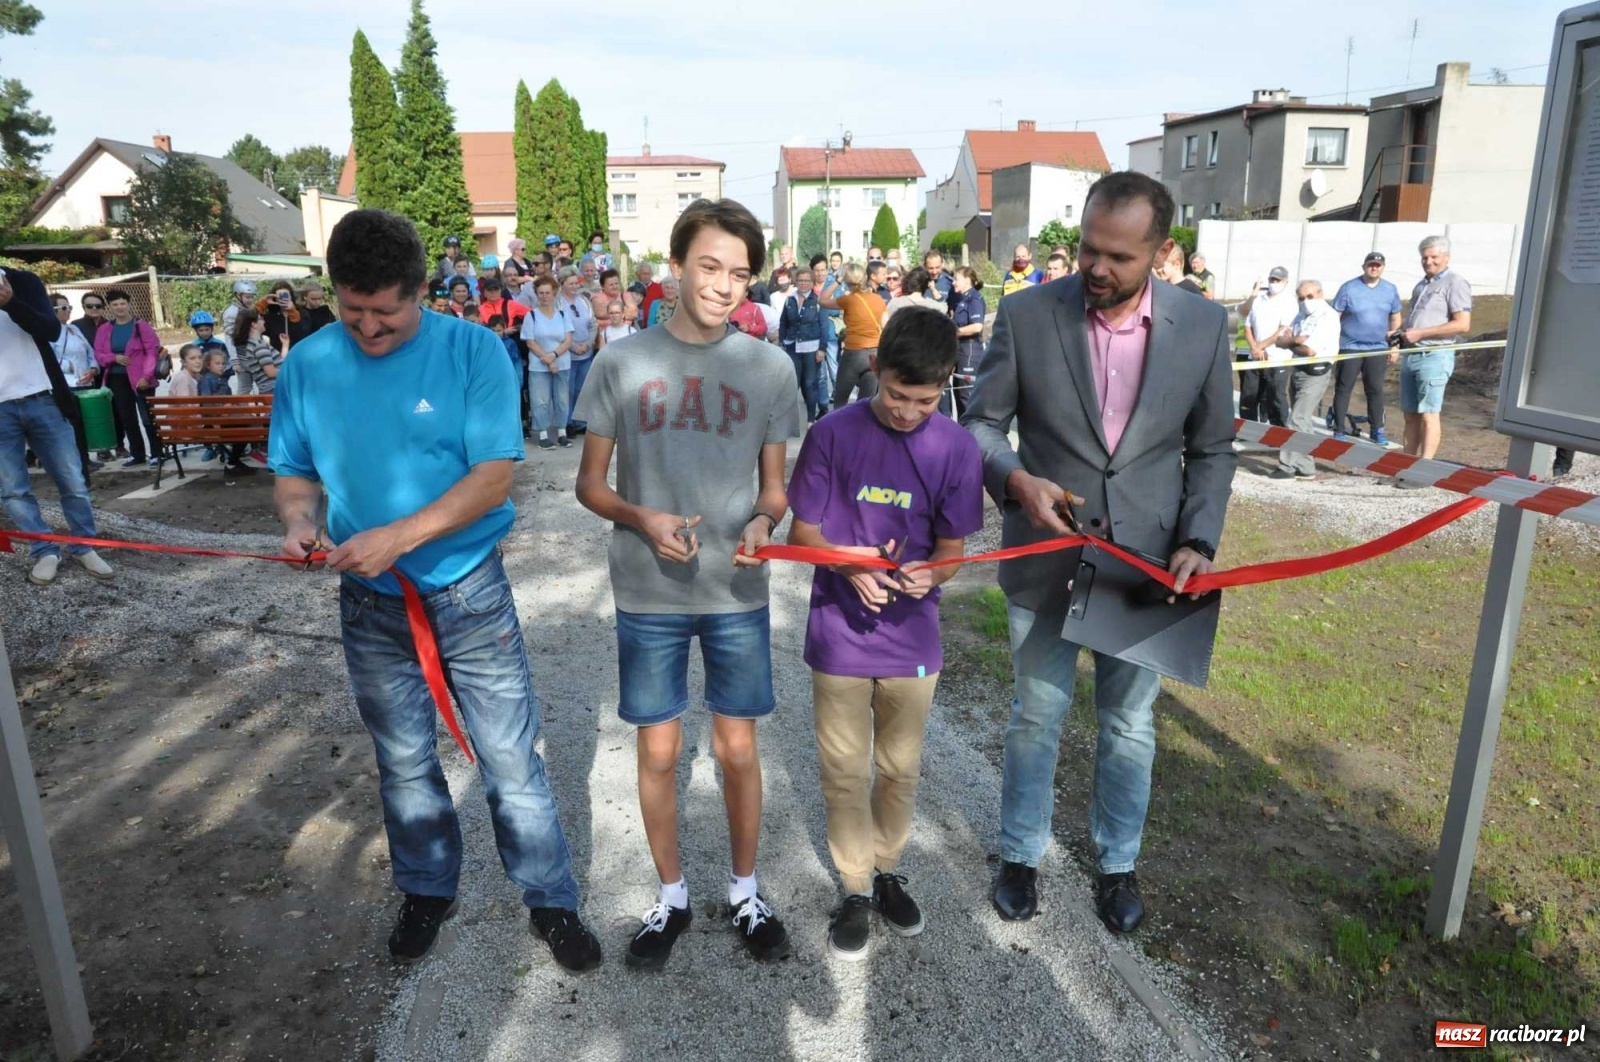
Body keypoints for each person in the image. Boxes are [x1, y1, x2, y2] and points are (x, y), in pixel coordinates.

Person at [269, 208, 601, 971]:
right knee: (404, 758)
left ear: (421, 290)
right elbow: (294, 474)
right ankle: (427, 888)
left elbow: (491, 480)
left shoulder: (474, 351)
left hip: (468, 591)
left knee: (509, 758)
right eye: (353, 310)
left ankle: (550, 899)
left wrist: (399, 536)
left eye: (385, 311)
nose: (368, 328)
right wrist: (297, 523)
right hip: (371, 603)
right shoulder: (309, 364)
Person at [963, 171, 1236, 935]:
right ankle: (1019, 854)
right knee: (1034, 717)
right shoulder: (1025, 314)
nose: (1097, 268)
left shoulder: (1205, 327)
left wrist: (1197, 538)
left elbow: (1213, 448)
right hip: (1048, 555)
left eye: (1118, 256)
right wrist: (1015, 479)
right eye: (1088, 248)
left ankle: (1118, 866)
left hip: (1147, 564)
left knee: (1128, 727)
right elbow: (980, 424)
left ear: (1161, 251)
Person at [572, 198, 798, 972]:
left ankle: (744, 890)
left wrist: (769, 525)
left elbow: (776, 489)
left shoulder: (771, 368)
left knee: (738, 750)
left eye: (740, 273)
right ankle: (669, 897)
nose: (725, 284)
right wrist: (642, 516)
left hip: (736, 592)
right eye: (710, 265)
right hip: (648, 591)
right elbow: (589, 486)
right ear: (675, 266)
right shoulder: (621, 361)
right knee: (660, 753)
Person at [786, 306, 982, 960]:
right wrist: (848, 567)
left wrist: (935, 575)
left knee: (898, 769)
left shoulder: (956, 447)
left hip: (911, 638)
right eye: (896, 395)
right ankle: (853, 888)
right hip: (839, 632)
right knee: (844, 770)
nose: (906, 412)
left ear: (948, 383)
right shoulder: (831, 434)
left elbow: (952, 550)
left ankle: (889, 869)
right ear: (875, 369)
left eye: (924, 401)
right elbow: (801, 534)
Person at [1, 265, 115, 585]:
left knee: (72, 480)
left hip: (44, 398)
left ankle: (84, 545)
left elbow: (50, 329)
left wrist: (11, 302)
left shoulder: (21, 281)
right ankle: (43, 549)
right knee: (12, 490)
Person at [1396, 236, 1471, 469]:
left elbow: (1462, 324)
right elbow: (1415, 320)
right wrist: (1399, 332)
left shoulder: (1455, 283)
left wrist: (1421, 334)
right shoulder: (1421, 285)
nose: (1428, 262)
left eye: (1434, 257)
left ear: (1446, 258)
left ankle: (1424, 469)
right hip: (1411, 356)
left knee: (1429, 413)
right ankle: (1406, 467)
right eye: (1425, 257)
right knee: (1410, 415)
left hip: (1435, 356)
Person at [1329, 252, 1402, 445]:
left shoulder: (1390, 289)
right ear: (1364, 266)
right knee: (1344, 388)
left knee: (1375, 389)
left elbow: (1395, 318)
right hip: (1350, 346)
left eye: (1378, 265)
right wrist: (1330, 343)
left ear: (1383, 268)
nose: (1374, 268)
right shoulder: (1349, 288)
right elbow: (1334, 316)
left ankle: (1377, 429)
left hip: (1377, 348)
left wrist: (1394, 346)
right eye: (1371, 265)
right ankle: (1338, 428)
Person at [1271, 280, 1340, 480]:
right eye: (1301, 298)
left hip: (1316, 372)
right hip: (1298, 369)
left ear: (1320, 294)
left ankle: (1287, 466)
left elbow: (1309, 350)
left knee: (1297, 419)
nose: (1305, 301)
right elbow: (1282, 338)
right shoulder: (1301, 314)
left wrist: (1290, 343)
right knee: (1304, 421)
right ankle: (1306, 466)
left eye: (1309, 297)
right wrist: (1295, 341)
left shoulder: (1327, 316)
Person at [92, 287, 164, 467]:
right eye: (115, 304)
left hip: (141, 378)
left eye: (123, 303)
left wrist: (146, 375)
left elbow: (151, 352)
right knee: (127, 418)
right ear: (110, 307)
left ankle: (157, 453)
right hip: (117, 378)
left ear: (129, 304)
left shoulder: (141, 325)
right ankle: (137, 454)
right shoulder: (105, 329)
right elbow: (98, 353)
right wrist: (113, 358)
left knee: (148, 418)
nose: (120, 307)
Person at [819, 262, 885, 409]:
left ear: (847, 281)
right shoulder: (879, 300)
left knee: (840, 401)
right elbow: (886, 326)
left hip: (854, 353)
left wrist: (838, 280)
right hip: (875, 353)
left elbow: (822, 300)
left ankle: (839, 431)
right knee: (866, 404)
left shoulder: (849, 300)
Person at [521, 274, 573, 449]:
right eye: (540, 293)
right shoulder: (531, 316)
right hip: (539, 365)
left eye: (547, 292)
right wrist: (548, 359)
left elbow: (568, 340)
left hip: (562, 362)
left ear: (554, 293)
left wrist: (555, 355)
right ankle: (543, 434)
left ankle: (562, 433)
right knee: (540, 400)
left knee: (562, 399)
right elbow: (530, 342)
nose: (544, 296)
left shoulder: (563, 314)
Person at [1240, 266, 1297, 425]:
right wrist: (1254, 347)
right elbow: (1247, 326)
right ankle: (1248, 428)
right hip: (1255, 356)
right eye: (1272, 279)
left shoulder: (1289, 302)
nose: (1273, 282)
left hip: (1277, 357)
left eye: (1277, 280)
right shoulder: (1259, 300)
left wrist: (1262, 345)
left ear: (1285, 282)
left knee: (1275, 395)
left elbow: (1283, 328)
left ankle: (1279, 429)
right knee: (1248, 394)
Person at [780, 268, 826, 424]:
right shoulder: (790, 299)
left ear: (812, 283)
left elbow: (823, 326)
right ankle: (788, 421)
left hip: (811, 348)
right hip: (792, 346)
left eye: (807, 280)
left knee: (810, 383)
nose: (803, 284)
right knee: (793, 384)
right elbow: (783, 322)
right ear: (796, 281)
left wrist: (822, 349)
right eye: (800, 280)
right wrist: (782, 342)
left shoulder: (817, 301)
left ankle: (811, 420)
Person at [558, 266, 598, 436]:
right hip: (568, 353)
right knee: (567, 390)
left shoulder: (584, 301)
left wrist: (588, 344)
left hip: (585, 352)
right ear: (562, 284)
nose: (575, 286)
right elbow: (557, 328)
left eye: (576, 283)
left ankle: (580, 422)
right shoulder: (557, 302)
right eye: (571, 283)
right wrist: (573, 346)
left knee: (582, 389)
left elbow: (594, 324)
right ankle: (567, 423)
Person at [949, 266, 986, 419]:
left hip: (970, 351)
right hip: (960, 351)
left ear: (967, 280)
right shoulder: (962, 300)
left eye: (956, 279)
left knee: (967, 396)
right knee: (958, 394)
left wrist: (954, 332)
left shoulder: (974, 298)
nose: (953, 283)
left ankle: (972, 434)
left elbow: (977, 326)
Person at [233, 308, 285, 395]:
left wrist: (285, 345)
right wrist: (289, 371)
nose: (264, 321)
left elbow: (278, 363)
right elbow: (271, 372)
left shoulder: (252, 345)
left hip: (269, 390)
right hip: (274, 389)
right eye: (261, 318)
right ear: (253, 324)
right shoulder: (259, 346)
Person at [50, 295, 97, 387]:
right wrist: (69, 366)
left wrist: (93, 369)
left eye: (69, 307)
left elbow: (89, 351)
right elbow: (46, 358)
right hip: (66, 383)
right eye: (64, 308)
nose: (68, 310)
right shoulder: (49, 331)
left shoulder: (74, 328)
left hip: (86, 382)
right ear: (52, 310)